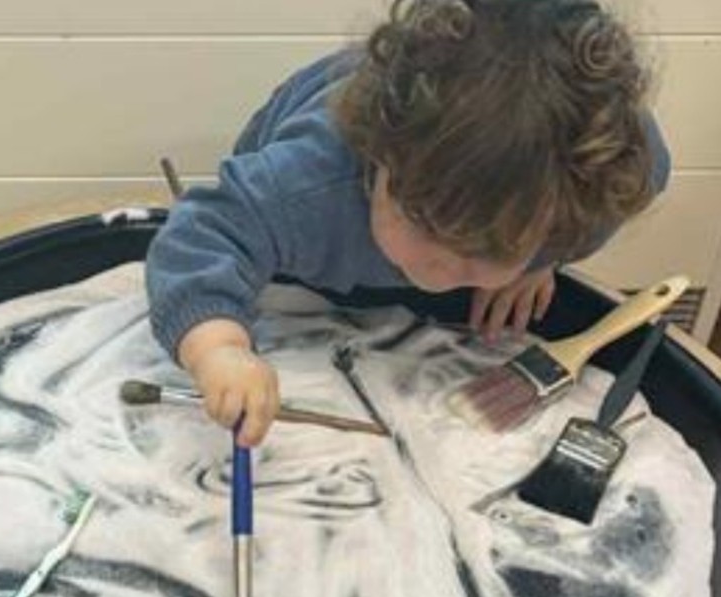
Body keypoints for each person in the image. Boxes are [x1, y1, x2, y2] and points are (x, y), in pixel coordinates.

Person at [146, 0, 670, 445]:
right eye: (425, 226)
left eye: (492, 249)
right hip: (302, 246)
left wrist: (542, 261)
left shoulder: (594, 182)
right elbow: (203, 234)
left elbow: (643, 172)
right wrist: (219, 349)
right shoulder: (310, 183)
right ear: (379, 157)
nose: (444, 270)